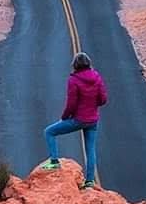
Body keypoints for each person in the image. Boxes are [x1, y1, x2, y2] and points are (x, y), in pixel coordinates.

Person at [41, 52, 107, 189]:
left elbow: (71, 103)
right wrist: (91, 106)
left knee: (49, 132)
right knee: (90, 150)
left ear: (75, 65)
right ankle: (89, 181)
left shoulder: (74, 80)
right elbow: (103, 99)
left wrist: (65, 117)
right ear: (89, 63)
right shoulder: (97, 77)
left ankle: (54, 161)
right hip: (93, 120)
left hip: (79, 119)